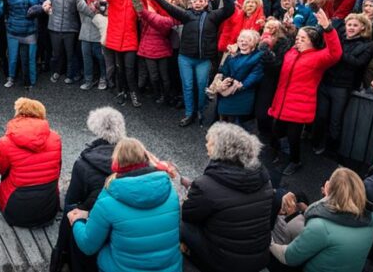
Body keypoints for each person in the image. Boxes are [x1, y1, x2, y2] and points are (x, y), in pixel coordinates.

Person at [68, 138, 182, 272]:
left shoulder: (107, 200)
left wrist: (77, 221)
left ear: (116, 164)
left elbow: (88, 245)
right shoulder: (171, 192)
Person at [180, 123, 275, 272]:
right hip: (259, 257)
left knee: (177, 218)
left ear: (222, 150)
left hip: (225, 262)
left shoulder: (206, 186)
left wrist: (188, 195)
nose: (205, 145)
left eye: (209, 142)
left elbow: (188, 214)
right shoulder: (264, 179)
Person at [51, 107, 127, 272]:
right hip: (124, 229)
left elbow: (72, 203)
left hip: (93, 224)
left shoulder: (85, 164)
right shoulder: (133, 158)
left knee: (71, 209)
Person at [268, 8, 342, 175]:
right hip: (281, 102)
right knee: (275, 131)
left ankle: (296, 161)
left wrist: (328, 29)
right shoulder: (292, 52)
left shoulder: (319, 57)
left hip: (299, 106)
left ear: (312, 41)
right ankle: (276, 152)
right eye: (298, 37)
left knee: (294, 137)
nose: (298, 40)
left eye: (302, 38)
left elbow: (335, 53)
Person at [154, 0, 235, 127]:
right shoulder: (186, 15)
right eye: (195, 1)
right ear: (191, 4)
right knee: (188, 85)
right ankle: (189, 113)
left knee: (201, 85)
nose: (197, 3)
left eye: (201, 1)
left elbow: (230, 9)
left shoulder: (213, 16)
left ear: (206, 3)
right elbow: (169, 7)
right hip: (185, 58)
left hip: (203, 60)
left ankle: (200, 111)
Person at [270, 167, 373, 272]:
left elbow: (289, 257)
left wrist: (269, 241)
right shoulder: (370, 225)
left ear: (329, 190)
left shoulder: (321, 227)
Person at [0, 97, 62, 227]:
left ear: (18, 114)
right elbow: (57, 170)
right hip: (48, 209)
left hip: (15, 210)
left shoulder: (6, 142)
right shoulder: (55, 139)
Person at [313, 13, 373, 155]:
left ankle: (331, 152)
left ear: (362, 27)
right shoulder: (338, 39)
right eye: (349, 24)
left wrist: (338, 53)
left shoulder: (366, 46)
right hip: (326, 83)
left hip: (342, 88)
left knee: (335, 122)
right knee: (320, 117)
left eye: (355, 25)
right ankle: (316, 144)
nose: (351, 27)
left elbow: (358, 64)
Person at [211, 30, 265, 122]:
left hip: (242, 93)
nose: (244, 42)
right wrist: (223, 80)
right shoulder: (232, 54)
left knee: (236, 123)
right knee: (224, 120)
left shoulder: (258, 56)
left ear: (254, 43)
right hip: (227, 90)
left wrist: (242, 85)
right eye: (241, 39)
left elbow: (255, 74)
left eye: (248, 40)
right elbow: (224, 70)